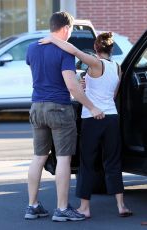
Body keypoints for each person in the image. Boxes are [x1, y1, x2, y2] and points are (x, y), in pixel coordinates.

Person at [39, 31, 133, 218]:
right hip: (111, 117)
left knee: (87, 163)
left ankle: (85, 208)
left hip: (92, 119)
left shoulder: (95, 63)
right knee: (113, 161)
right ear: (111, 49)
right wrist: (87, 85)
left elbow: (73, 50)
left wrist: (52, 39)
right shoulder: (117, 67)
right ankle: (121, 205)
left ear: (96, 49)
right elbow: (112, 96)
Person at [25, 11, 104, 222]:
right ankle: (61, 209)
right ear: (66, 28)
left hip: (36, 107)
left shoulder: (32, 48)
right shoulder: (64, 52)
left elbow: (42, 73)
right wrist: (92, 106)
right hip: (59, 108)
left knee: (38, 157)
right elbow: (70, 85)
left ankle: (32, 206)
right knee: (63, 158)